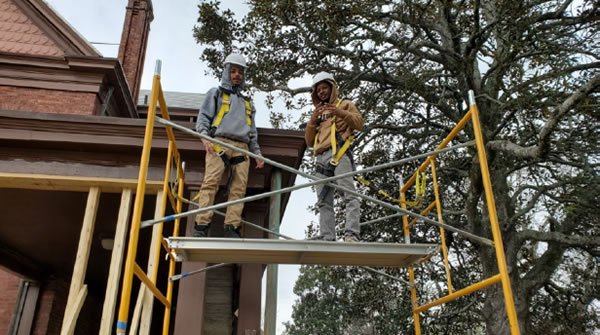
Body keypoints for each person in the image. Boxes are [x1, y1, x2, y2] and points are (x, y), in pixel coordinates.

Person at [193, 53, 264, 238]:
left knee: (238, 189)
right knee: (211, 183)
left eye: (240, 72)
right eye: (233, 71)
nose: (237, 75)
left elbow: (252, 132)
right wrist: (204, 137)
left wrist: (257, 153)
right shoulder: (216, 94)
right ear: (226, 72)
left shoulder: (247, 103)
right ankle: (201, 225)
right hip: (219, 142)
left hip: (242, 146)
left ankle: (231, 227)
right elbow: (203, 118)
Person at [304, 72, 364, 242]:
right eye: (318, 90)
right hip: (320, 158)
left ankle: (351, 234)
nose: (321, 92)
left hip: (339, 153)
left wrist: (340, 112)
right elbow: (309, 142)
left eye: (324, 88)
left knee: (349, 195)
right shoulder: (318, 113)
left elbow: (359, 123)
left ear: (332, 88)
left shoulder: (345, 104)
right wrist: (312, 122)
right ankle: (327, 236)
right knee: (323, 201)